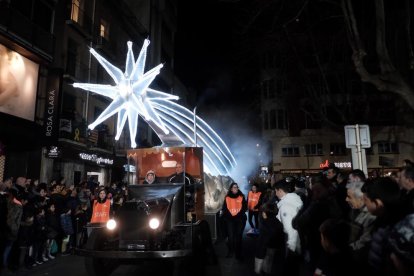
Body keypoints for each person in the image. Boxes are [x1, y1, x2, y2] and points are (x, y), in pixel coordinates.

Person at [254, 202, 285, 276]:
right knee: (268, 264)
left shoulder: (264, 223)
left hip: (262, 248)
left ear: (266, 213)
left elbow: (263, 237)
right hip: (272, 248)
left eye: (263, 212)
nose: (262, 213)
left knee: (258, 268)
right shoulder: (278, 223)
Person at [221, 182, 247, 261]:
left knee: (238, 236)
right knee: (231, 236)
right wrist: (229, 216)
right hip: (230, 220)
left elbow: (244, 208)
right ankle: (231, 251)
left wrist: (238, 215)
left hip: (239, 219)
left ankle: (238, 253)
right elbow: (224, 209)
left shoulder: (241, 197)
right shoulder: (227, 197)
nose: (235, 188)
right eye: (234, 187)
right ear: (231, 189)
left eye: (236, 187)